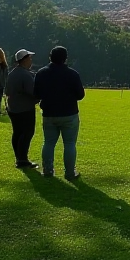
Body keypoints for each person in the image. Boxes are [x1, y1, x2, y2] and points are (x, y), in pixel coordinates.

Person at [34, 46, 85, 180]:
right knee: (69, 144)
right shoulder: (73, 74)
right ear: (65, 58)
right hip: (69, 113)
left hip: (49, 113)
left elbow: (36, 94)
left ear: (50, 57)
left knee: (49, 143)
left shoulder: (41, 73)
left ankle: (48, 170)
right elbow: (80, 95)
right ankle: (69, 173)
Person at [5, 49, 40, 169]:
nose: (31, 61)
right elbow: (33, 92)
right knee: (27, 133)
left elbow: (7, 91)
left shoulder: (12, 73)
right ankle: (23, 159)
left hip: (13, 108)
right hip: (25, 109)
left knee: (17, 133)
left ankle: (19, 158)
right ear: (24, 59)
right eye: (30, 58)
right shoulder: (26, 74)